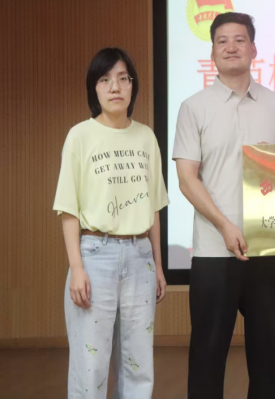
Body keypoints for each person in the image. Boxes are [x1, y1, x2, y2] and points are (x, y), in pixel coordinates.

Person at [173, 12, 275, 399]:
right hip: (214, 252)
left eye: (239, 39)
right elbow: (187, 179)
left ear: (253, 49)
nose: (230, 47)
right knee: (207, 357)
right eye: (222, 41)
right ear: (212, 52)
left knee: (268, 356)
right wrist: (225, 226)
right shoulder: (193, 107)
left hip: (267, 250)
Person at [54, 48, 169, 399]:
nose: (115, 87)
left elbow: (153, 209)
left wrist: (158, 266)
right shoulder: (80, 136)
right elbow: (69, 210)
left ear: (133, 86)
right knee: (90, 367)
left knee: (138, 366)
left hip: (140, 256)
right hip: (95, 255)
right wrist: (77, 268)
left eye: (122, 78)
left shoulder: (146, 137)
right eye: (105, 80)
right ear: (95, 88)